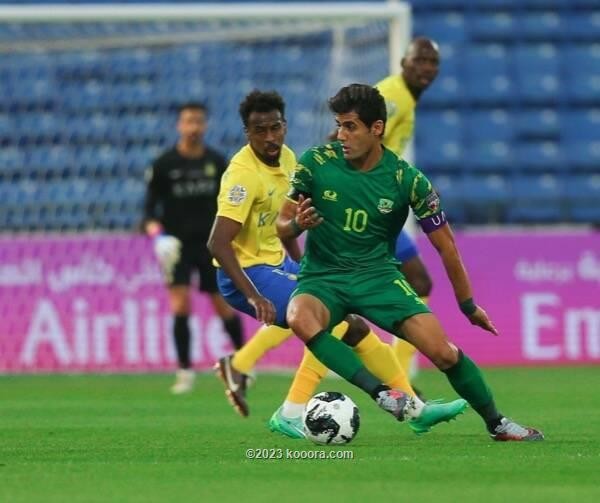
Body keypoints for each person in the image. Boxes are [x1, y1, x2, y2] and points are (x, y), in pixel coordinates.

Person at [276, 83, 543, 441]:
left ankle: (497, 422)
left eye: (350, 126)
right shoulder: (315, 163)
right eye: (339, 125)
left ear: (377, 128)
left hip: (379, 279)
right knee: (299, 316)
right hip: (323, 278)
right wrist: (296, 225)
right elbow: (282, 224)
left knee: (443, 353)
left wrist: (467, 305)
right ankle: (382, 393)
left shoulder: (407, 180)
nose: (341, 135)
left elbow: (447, 247)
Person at [208, 89, 466, 437]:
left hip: (277, 264)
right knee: (332, 322)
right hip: (246, 274)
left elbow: (287, 228)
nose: (270, 137)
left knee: (356, 325)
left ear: (284, 125)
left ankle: (415, 409)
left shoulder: (288, 159)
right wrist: (254, 297)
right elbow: (218, 243)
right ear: (247, 133)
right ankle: (291, 411)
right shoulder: (242, 176)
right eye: (260, 131)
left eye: (276, 128)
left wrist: (308, 268)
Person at [144, 102, 243, 394]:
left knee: (221, 303)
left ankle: (244, 363)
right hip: (176, 245)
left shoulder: (216, 162)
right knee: (179, 303)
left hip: (211, 244)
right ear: (179, 125)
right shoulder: (164, 165)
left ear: (205, 125)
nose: (194, 127)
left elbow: (230, 206)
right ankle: (185, 371)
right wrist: (157, 236)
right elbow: (148, 211)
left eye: (198, 121)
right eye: (188, 121)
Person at [376, 36, 440, 389]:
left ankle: (398, 378)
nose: (426, 68)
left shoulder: (404, 99)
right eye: (420, 60)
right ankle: (399, 379)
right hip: (365, 208)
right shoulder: (393, 98)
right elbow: (340, 139)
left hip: (377, 207)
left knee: (334, 300)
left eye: (432, 62)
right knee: (332, 301)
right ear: (404, 62)